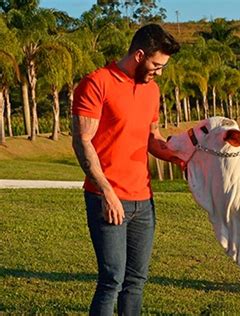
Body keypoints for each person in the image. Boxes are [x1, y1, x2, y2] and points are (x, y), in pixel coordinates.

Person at [72, 24, 182, 315]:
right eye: (156, 65)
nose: (159, 72)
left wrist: (181, 157)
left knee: (135, 281)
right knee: (111, 279)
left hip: (143, 201)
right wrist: (107, 192)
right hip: (106, 197)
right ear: (139, 55)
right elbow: (82, 141)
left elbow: (152, 138)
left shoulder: (152, 90)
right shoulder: (97, 83)